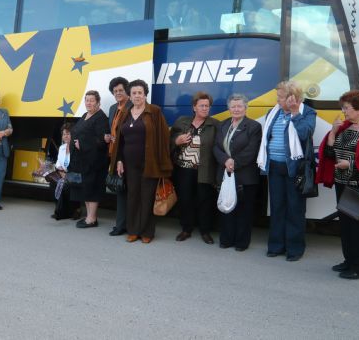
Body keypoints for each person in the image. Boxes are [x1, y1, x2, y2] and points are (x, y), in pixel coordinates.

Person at [316, 90, 359, 279]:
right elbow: (328, 153)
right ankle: (349, 261)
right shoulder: (344, 127)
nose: (343, 111)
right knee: (346, 225)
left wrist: (349, 164)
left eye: (346, 108)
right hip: (342, 183)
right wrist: (333, 132)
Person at [257, 81, 316, 261]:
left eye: (281, 97)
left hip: (295, 168)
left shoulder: (307, 112)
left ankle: (295, 249)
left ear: (293, 98)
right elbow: (268, 138)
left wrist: (295, 113)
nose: (277, 100)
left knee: (295, 208)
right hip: (274, 166)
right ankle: (276, 246)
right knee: (277, 207)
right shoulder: (273, 112)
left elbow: (305, 133)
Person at [111, 80, 173, 243]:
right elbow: (120, 141)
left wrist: (163, 162)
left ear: (145, 94)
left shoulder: (154, 111)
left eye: (140, 92)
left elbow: (163, 137)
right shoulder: (126, 112)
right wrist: (119, 160)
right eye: (134, 93)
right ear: (129, 96)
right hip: (129, 164)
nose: (137, 95)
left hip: (149, 162)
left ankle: (146, 232)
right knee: (132, 197)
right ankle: (133, 230)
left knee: (147, 197)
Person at [213, 94, 262, 251]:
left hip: (245, 175)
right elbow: (216, 147)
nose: (236, 109)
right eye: (233, 106)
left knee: (244, 210)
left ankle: (241, 242)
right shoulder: (222, 125)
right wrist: (225, 160)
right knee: (227, 207)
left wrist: (234, 162)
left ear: (246, 108)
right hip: (226, 173)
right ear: (229, 109)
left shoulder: (254, 126)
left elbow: (252, 150)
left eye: (239, 106)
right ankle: (226, 239)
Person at [170, 92, 219, 244]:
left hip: (204, 169)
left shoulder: (215, 124)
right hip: (183, 169)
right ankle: (186, 229)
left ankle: (205, 231)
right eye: (202, 106)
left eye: (207, 106)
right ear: (194, 107)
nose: (205, 108)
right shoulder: (182, 122)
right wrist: (177, 140)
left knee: (204, 200)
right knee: (185, 199)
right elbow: (170, 139)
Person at [68, 90, 110, 228]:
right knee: (85, 188)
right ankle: (89, 216)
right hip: (82, 160)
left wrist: (84, 144)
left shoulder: (101, 118)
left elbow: (102, 141)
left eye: (92, 100)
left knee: (93, 188)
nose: (89, 103)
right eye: (87, 100)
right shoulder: (85, 115)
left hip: (95, 161)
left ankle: (92, 219)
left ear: (98, 103)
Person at [105, 77, 132, 236]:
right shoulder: (112, 108)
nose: (118, 93)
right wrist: (108, 137)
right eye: (115, 91)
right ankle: (122, 224)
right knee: (120, 189)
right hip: (114, 154)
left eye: (121, 90)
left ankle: (126, 225)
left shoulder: (132, 106)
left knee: (128, 191)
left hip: (128, 154)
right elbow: (112, 129)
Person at [50, 123, 80, 220]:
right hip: (63, 173)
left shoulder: (76, 147)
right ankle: (60, 209)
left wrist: (65, 173)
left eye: (68, 133)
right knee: (53, 180)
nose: (65, 136)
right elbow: (58, 163)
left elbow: (77, 165)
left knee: (65, 184)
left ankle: (74, 210)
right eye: (63, 134)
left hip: (74, 174)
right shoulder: (62, 148)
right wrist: (60, 171)